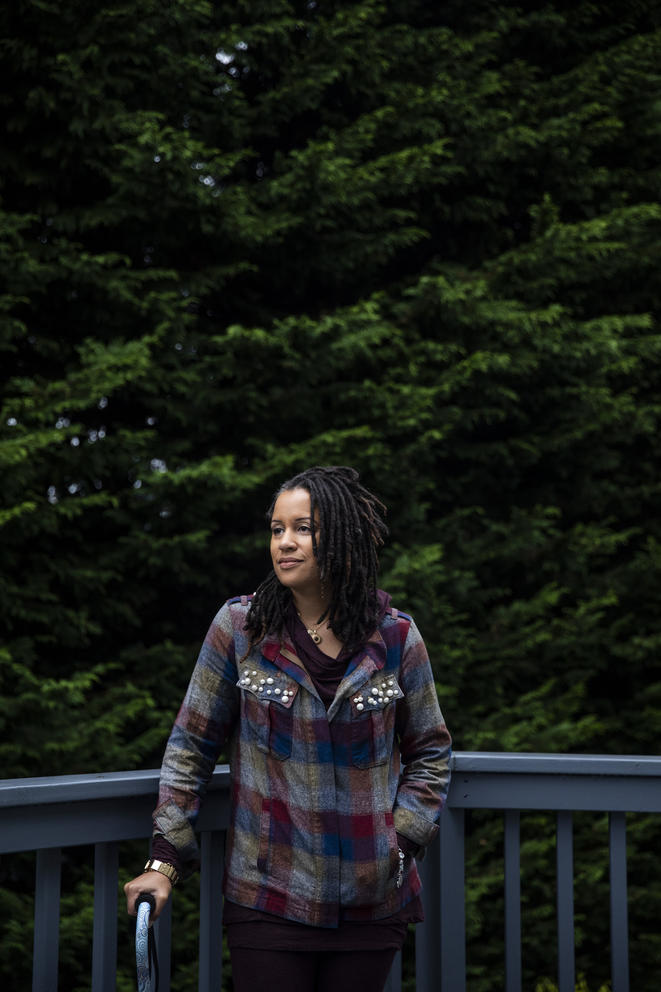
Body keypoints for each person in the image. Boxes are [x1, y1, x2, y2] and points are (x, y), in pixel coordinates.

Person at [124, 465, 452, 992]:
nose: (286, 542)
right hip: (268, 899)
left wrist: (402, 842)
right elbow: (191, 747)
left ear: (341, 538)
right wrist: (164, 859)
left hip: (371, 903)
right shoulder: (239, 631)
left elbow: (431, 752)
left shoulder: (395, 637)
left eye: (304, 528)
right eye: (277, 529)